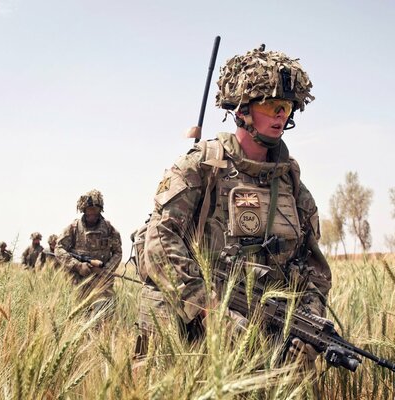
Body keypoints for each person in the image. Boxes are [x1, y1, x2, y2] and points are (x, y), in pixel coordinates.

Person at [135, 46, 332, 361]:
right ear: (242, 110)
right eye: (270, 105)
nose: (281, 114)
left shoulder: (291, 184)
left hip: (262, 329)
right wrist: (210, 311)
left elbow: (313, 266)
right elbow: (161, 242)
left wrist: (308, 321)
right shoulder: (201, 166)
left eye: (286, 106)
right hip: (190, 324)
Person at [55, 190, 123, 300]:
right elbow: (59, 249)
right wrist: (77, 265)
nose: (92, 212)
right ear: (83, 210)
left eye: (95, 209)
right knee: (80, 315)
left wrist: (106, 270)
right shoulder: (74, 228)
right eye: (89, 209)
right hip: (78, 283)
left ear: (100, 209)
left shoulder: (109, 229)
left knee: (105, 315)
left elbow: (118, 252)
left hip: (103, 284)